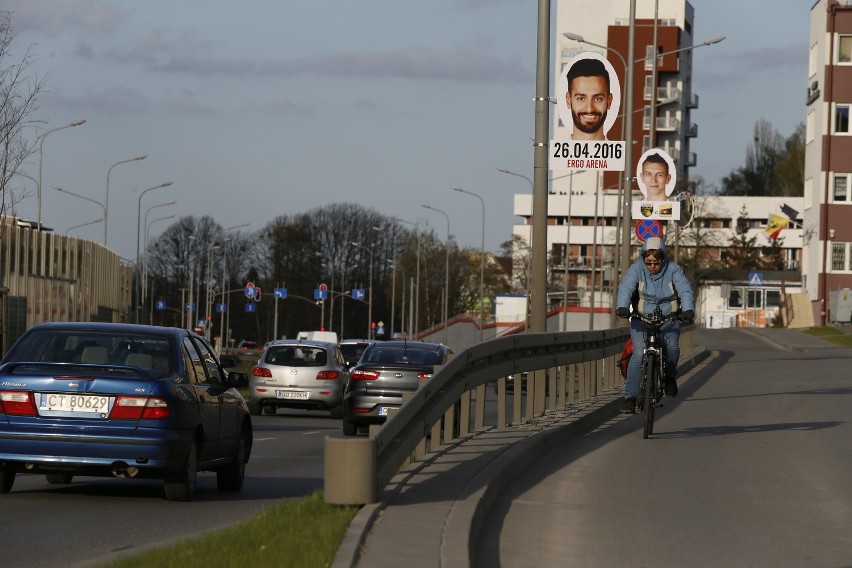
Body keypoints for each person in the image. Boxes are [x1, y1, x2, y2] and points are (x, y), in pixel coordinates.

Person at [615, 237, 695, 414]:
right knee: (638, 353)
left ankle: (669, 378)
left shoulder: (674, 270)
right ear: (643, 259)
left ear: (663, 259)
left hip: (669, 318)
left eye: (656, 263)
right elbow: (626, 288)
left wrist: (688, 309)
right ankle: (630, 397)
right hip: (641, 318)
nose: (652, 266)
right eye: (649, 262)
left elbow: (685, 290)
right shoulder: (636, 269)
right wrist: (622, 306)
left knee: (672, 347)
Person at [564, 57, 613, 141]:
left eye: (598, 99)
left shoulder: (625, 154)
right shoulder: (550, 153)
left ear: (609, 101)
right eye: (581, 99)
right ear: (568, 100)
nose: (589, 109)